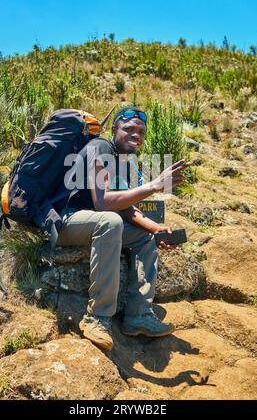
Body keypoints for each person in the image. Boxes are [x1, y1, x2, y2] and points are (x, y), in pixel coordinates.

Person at [57, 105, 191, 351]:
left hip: (92, 224)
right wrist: (155, 185)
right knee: (110, 221)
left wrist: (157, 229)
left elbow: (127, 208)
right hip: (64, 222)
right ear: (114, 129)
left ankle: (139, 315)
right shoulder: (100, 149)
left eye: (141, 131)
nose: (136, 134)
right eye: (129, 128)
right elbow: (103, 202)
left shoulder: (123, 162)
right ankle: (97, 318)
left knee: (146, 236)